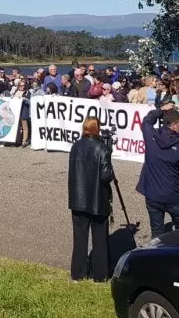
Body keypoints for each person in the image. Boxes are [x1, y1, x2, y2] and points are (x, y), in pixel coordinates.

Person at [67, 117, 114, 282]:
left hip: (78, 199)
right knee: (100, 239)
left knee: (79, 238)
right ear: (96, 129)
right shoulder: (101, 148)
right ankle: (100, 276)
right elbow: (107, 176)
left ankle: (77, 274)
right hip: (97, 200)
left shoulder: (76, 146)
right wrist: (108, 155)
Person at [136, 104, 179, 238]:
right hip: (173, 195)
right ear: (174, 125)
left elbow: (147, 120)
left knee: (157, 232)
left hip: (153, 194)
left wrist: (162, 110)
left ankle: (156, 255)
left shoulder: (151, 135)